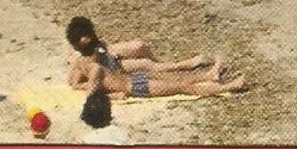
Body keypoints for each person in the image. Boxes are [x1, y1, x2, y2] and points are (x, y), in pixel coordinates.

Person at [65, 17, 242, 98]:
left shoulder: (94, 56)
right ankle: (227, 87)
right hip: (135, 86)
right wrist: (116, 95)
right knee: (181, 86)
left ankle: (209, 75)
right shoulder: (89, 68)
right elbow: (88, 92)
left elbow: (83, 86)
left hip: (133, 79)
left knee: (177, 80)